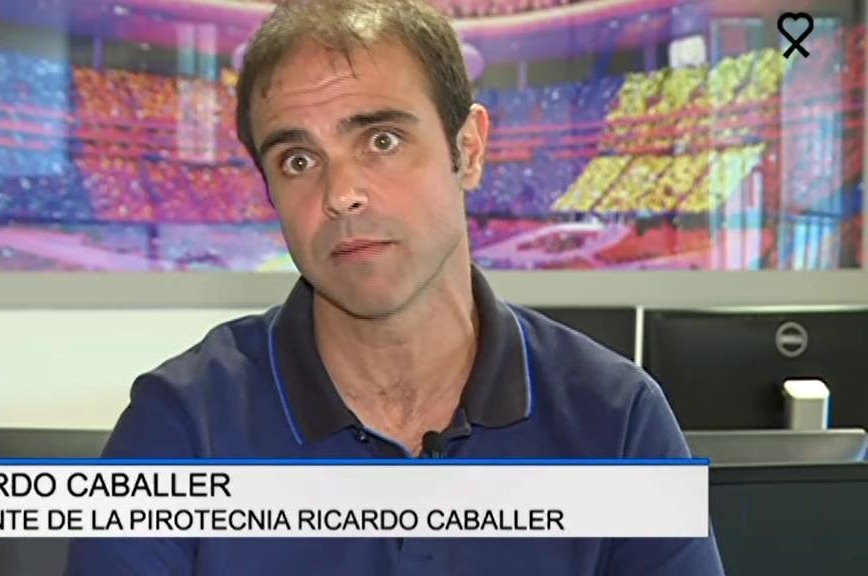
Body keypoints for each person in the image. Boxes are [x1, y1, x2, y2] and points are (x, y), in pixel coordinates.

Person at [65, 0, 725, 573]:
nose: (341, 194)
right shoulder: (180, 426)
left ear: (469, 150)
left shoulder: (617, 418)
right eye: (298, 160)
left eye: (381, 140)